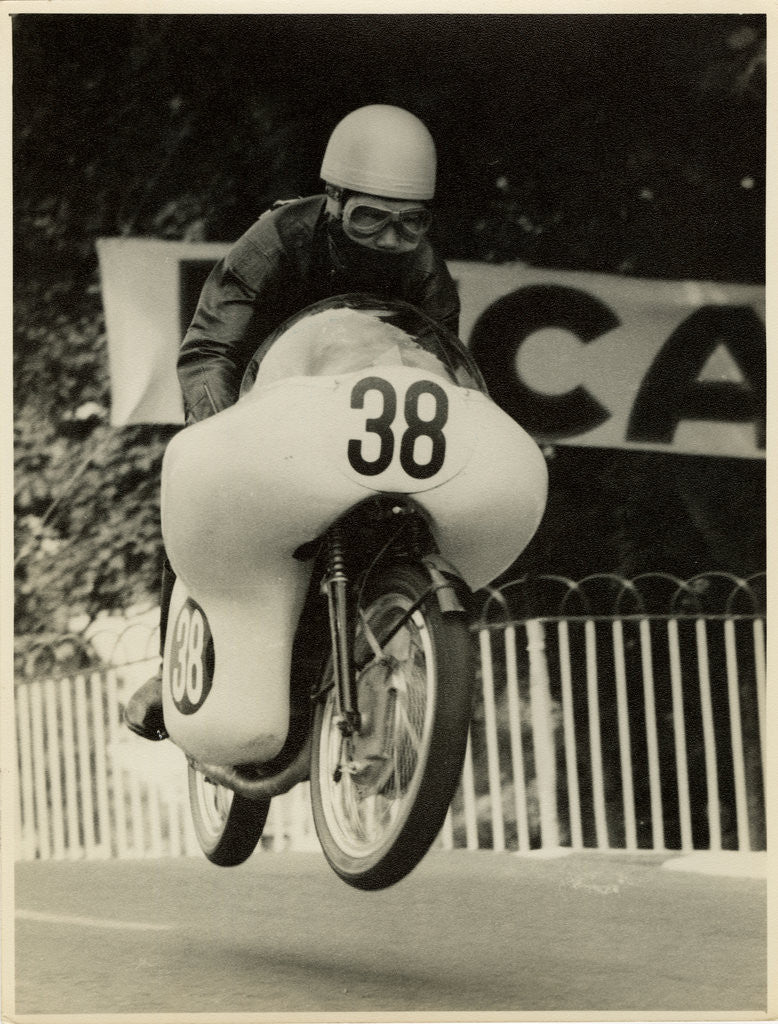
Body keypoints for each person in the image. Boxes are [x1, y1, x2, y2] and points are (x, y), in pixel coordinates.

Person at [124, 103, 461, 741]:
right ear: (333, 202)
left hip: (362, 417)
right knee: (195, 480)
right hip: (263, 401)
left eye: (409, 224)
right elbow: (210, 347)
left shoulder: (427, 272)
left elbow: (439, 373)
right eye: (370, 218)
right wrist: (222, 433)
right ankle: (172, 661)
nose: (391, 240)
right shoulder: (277, 238)